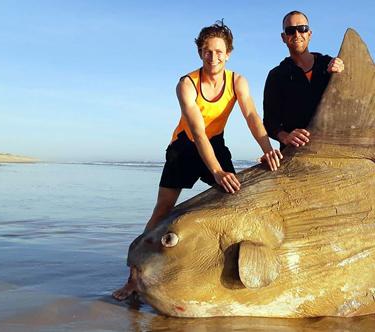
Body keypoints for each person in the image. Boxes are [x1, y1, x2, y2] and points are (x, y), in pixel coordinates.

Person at [112, 20, 282, 301]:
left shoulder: (237, 81)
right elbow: (198, 132)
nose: (212, 57)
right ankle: (134, 277)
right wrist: (215, 171)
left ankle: (218, 268)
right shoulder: (187, 84)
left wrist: (268, 148)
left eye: (218, 51)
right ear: (200, 53)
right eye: (206, 51)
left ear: (228, 53)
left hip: (215, 143)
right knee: (163, 208)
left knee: (233, 197)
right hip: (185, 146)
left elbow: (252, 116)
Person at [263, 11, 345, 150]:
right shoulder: (276, 75)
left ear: (309, 34)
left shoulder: (330, 65)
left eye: (302, 29)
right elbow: (270, 123)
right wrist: (285, 136)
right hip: (296, 153)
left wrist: (344, 73)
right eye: (290, 30)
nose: (297, 34)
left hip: (333, 149)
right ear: (283, 37)